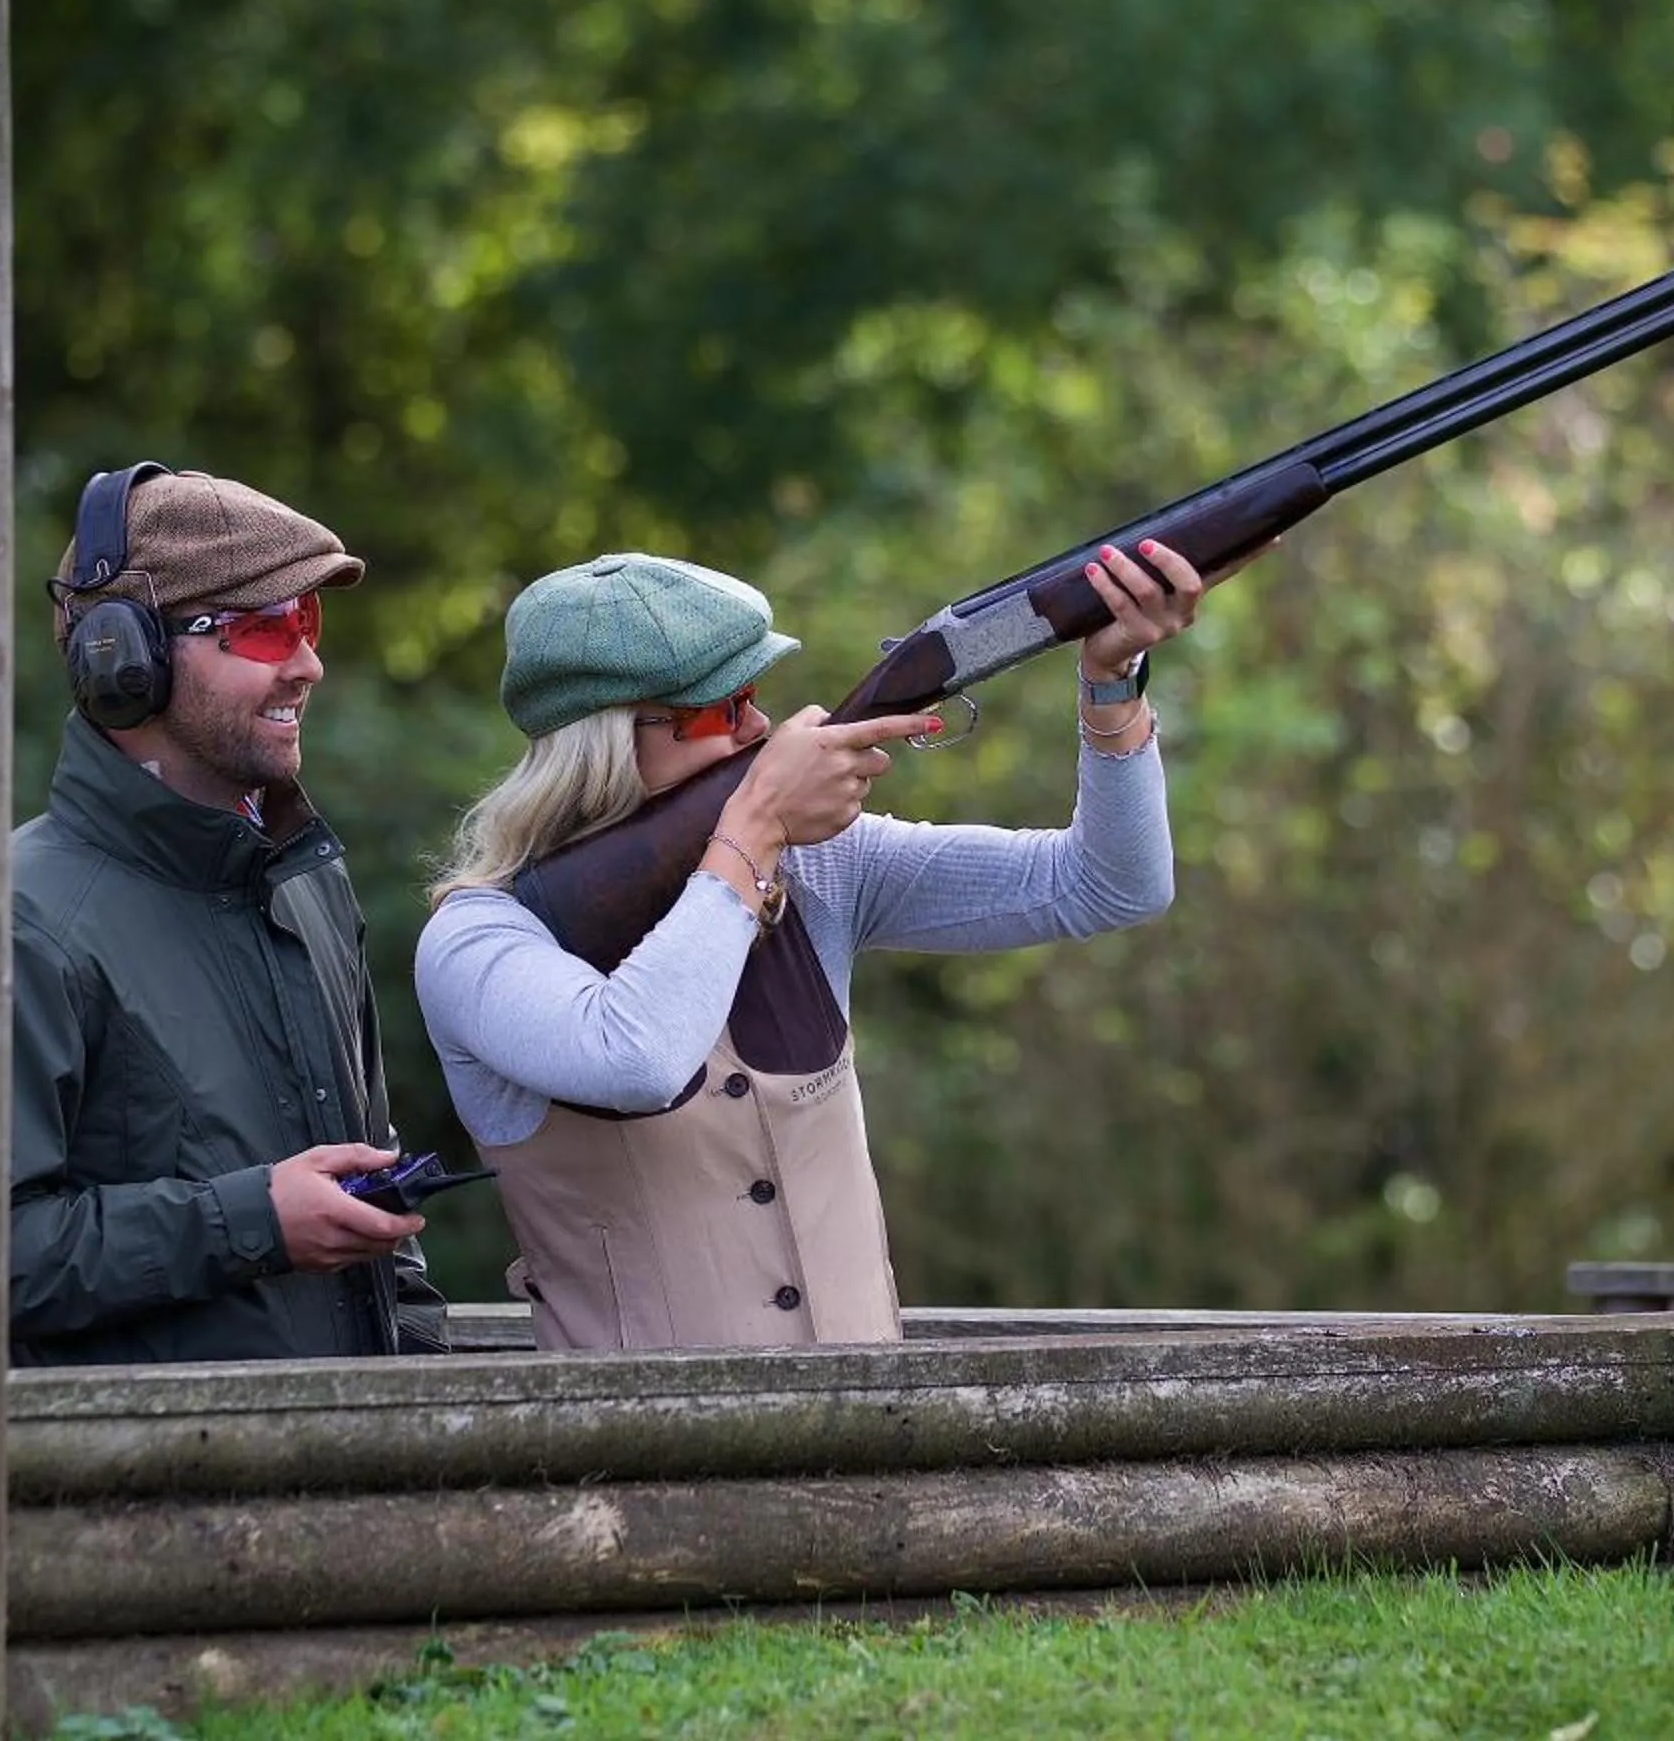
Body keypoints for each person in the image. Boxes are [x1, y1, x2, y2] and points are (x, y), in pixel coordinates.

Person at [415, 541, 1203, 1350]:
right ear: (607, 740)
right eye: (723, 712)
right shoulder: (482, 938)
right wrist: (751, 830)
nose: (762, 729)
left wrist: (1113, 684)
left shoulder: (821, 866)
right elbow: (637, 1058)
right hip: (632, 1466)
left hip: (873, 1447)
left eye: (753, 697)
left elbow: (1109, 884)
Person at [0, 463, 446, 1365]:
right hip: (139, 1498)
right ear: (123, 658)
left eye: (308, 621)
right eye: (264, 628)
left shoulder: (308, 887)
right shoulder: (4, 928)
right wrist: (250, 1221)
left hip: (347, 1486)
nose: (308, 662)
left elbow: (379, 1210)